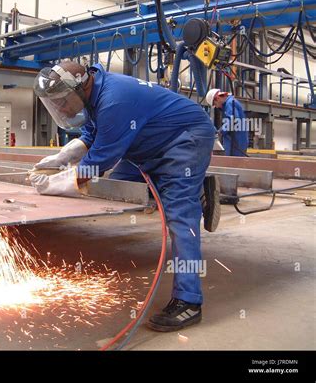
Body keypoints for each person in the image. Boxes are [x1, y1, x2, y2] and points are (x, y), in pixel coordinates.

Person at [29, 61, 219, 332]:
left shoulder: (114, 100)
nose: (60, 108)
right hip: (146, 142)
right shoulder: (94, 93)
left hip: (185, 138)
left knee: (179, 215)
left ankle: (189, 301)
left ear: (80, 86)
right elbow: (92, 135)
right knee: (118, 190)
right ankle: (196, 188)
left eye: (62, 101)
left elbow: (97, 163)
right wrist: (61, 158)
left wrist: (52, 184)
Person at [206, 89, 249, 157]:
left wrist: (221, 131)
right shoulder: (228, 104)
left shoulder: (230, 103)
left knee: (234, 164)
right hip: (236, 142)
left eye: (215, 104)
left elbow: (233, 120)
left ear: (217, 98)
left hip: (236, 143)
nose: (216, 107)